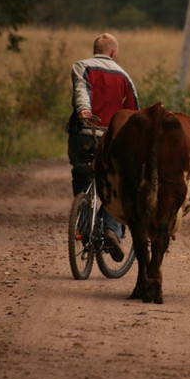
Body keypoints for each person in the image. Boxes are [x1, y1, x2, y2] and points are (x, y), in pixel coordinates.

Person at [67, 33, 139, 262]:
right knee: (117, 183)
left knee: (82, 175)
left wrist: (84, 111)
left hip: (84, 134)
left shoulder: (82, 66)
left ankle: (83, 222)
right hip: (113, 140)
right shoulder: (124, 76)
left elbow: (81, 89)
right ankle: (110, 228)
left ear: (95, 49)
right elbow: (133, 113)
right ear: (113, 52)